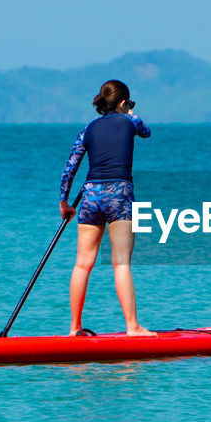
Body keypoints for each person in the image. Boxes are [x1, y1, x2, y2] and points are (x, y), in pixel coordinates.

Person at [58, 79, 154, 337]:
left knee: (82, 264)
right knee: (121, 263)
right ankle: (133, 327)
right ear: (123, 103)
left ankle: (74, 328)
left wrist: (64, 203)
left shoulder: (88, 129)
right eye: (128, 103)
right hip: (119, 195)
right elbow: (146, 131)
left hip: (90, 196)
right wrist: (132, 113)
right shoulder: (131, 121)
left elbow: (70, 167)